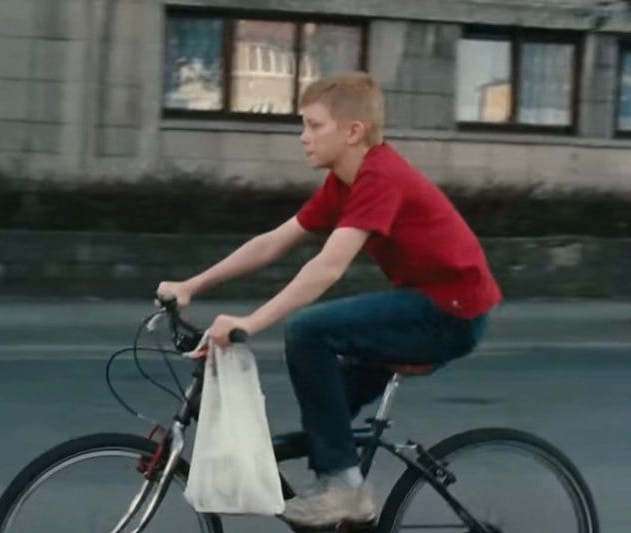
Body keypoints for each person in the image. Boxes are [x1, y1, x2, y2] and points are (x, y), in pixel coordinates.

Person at [156, 71, 502, 529]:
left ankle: (345, 489)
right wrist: (191, 285)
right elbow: (272, 243)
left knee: (308, 331)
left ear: (352, 131)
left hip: (450, 313)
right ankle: (346, 498)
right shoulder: (344, 182)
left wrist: (250, 322)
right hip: (423, 303)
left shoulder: (379, 177)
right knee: (325, 415)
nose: (303, 136)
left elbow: (328, 267)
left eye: (314, 125)